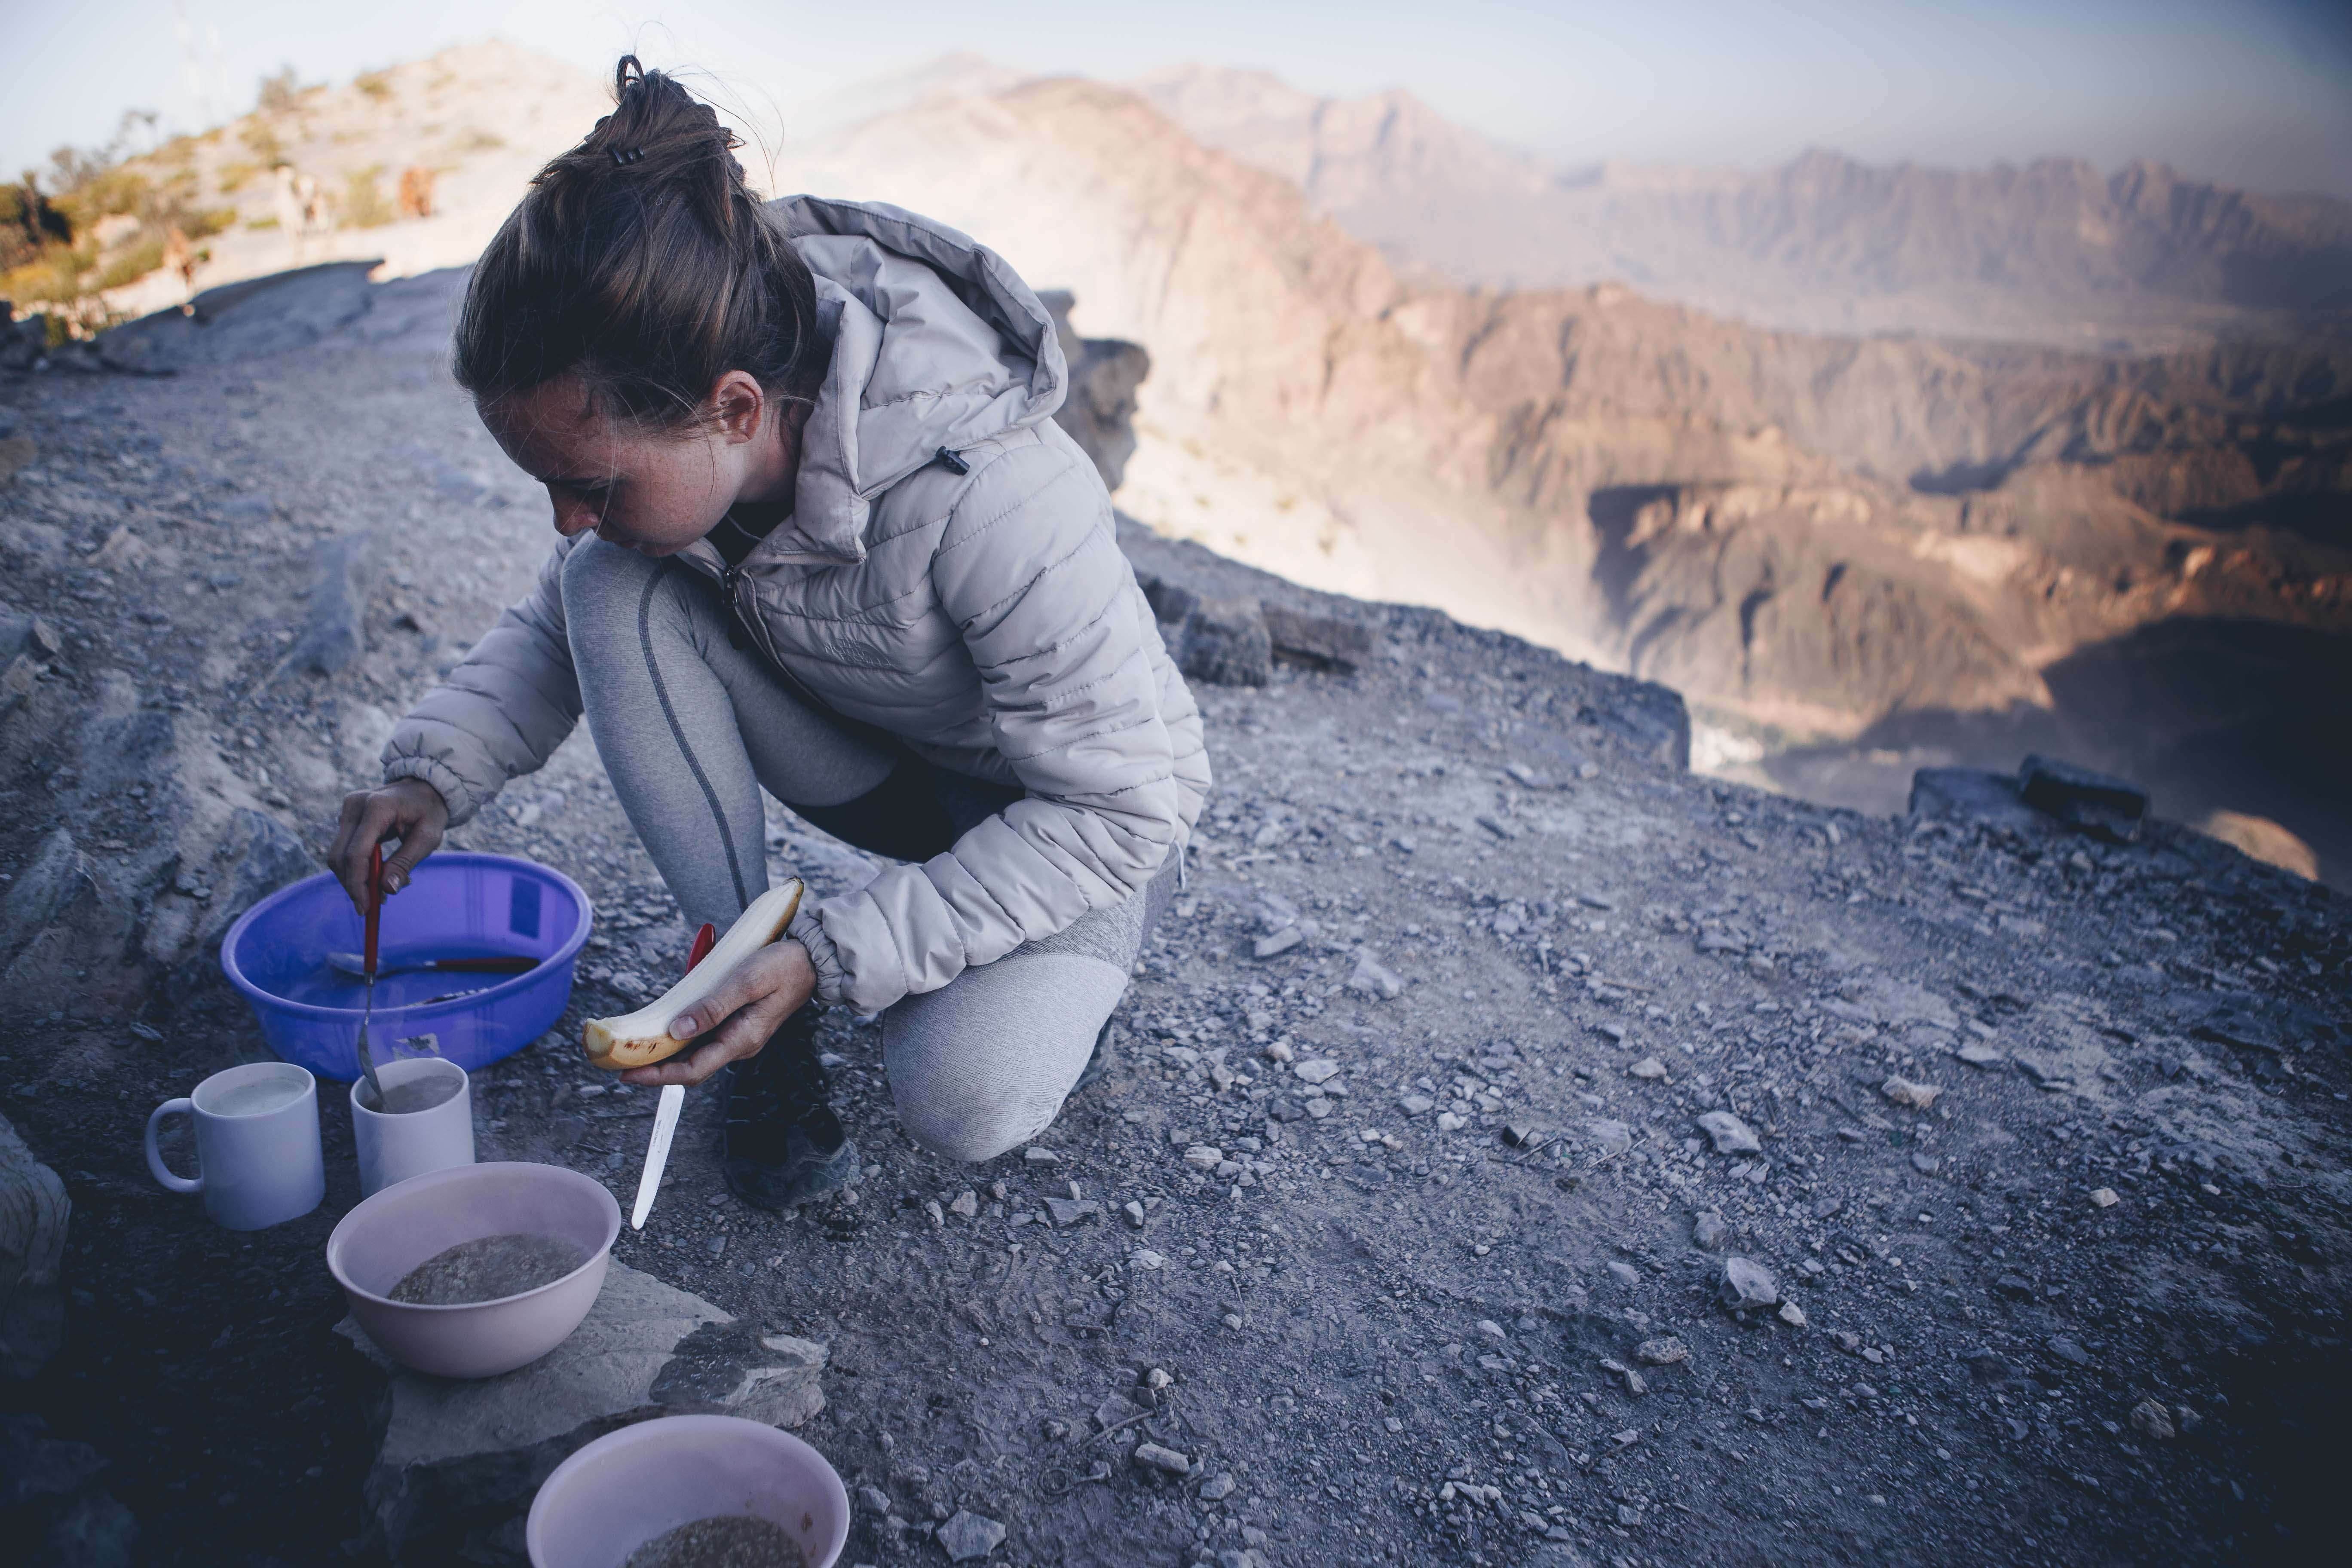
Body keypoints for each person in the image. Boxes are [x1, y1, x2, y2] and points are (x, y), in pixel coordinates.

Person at [328, 58, 1210, 1210]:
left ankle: (1046, 986)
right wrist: (431, 777)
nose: (565, 513)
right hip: (892, 772)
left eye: (589, 479)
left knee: (968, 1097)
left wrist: (837, 957)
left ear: (736, 408)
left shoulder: (994, 488)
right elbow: (558, 621)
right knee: (608, 584)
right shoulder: (683, 446)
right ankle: (747, 1007)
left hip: (1074, 817)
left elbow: (1118, 805)